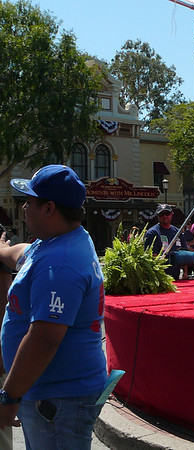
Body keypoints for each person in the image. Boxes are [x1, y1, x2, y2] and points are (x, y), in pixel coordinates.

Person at [0, 165, 107, 449]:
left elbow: (44, 339)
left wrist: (9, 397)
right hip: (54, 397)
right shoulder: (59, 241)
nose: (24, 208)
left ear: (49, 208)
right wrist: (1, 250)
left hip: (57, 402)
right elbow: (21, 253)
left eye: (29, 202)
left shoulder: (60, 263)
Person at [144, 204, 188, 280]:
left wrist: (185, 272)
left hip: (176, 275)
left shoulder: (177, 232)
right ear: (157, 216)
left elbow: (184, 253)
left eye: (167, 213)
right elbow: (151, 257)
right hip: (160, 276)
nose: (165, 216)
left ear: (171, 214)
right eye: (161, 214)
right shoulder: (152, 233)